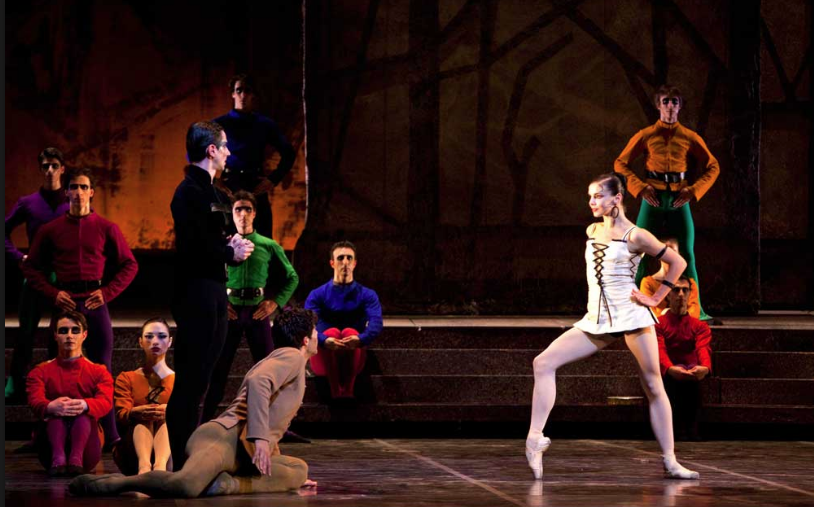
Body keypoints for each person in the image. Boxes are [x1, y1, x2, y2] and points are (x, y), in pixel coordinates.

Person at [526, 173, 699, 480]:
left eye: (598, 196)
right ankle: (535, 438)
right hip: (597, 319)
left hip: (631, 315)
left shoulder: (636, 235)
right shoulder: (593, 230)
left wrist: (656, 296)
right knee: (543, 362)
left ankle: (671, 460)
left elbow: (679, 263)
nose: (592, 202)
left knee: (653, 385)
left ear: (616, 199)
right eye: (590, 196)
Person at [69, 308, 319, 498]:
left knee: (297, 470)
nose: (319, 336)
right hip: (223, 438)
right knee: (185, 485)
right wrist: (261, 438)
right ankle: (115, 483)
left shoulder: (288, 362)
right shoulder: (292, 356)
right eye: (315, 332)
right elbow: (257, 381)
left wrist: (267, 448)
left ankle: (224, 483)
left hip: (242, 452)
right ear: (305, 340)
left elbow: (268, 411)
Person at [23, 167, 138, 445]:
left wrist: (107, 292)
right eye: (73, 187)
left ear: (91, 192)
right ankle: (47, 437)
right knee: (56, 370)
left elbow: (129, 264)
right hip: (64, 304)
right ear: (66, 192)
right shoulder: (51, 229)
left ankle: (110, 436)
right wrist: (53, 293)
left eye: (82, 187)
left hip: (94, 301)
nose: (77, 192)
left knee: (102, 368)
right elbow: (30, 267)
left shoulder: (105, 227)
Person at [167, 121, 255, 470]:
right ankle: (181, 460)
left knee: (204, 378)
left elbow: (217, 237)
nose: (229, 152)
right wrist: (226, 252)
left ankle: (194, 456)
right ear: (211, 150)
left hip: (217, 290)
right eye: (225, 145)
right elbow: (192, 245)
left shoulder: (219, 195)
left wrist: (233, 244)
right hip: (196, 291)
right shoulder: (188, 192)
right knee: (190, 380)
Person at [614, 84, 720, 321]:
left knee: (687, 254)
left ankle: (696, 311)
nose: (670, 106)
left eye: (674, 102)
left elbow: (713, 166)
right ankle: (631, 307)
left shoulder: (689, 137)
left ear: (680, 107)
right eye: (665, 101)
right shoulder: (646, 134)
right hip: (652, 197)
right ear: (658, 105)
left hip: (679, 199)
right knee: (638, 250)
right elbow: (620, 163)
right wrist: (640, 187)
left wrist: (693, 191)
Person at [202, 190, 299, 422]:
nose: (243, 214)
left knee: (268, 373)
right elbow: (207, 275)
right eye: (238, 209)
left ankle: (276, 424)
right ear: (232, 214)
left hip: (257, 313)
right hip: (231, 312)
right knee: (219, 370)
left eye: (247, 209)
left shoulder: (268, 245)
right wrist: (221, 303)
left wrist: (275, 303)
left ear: (254, 213)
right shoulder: (225, 244)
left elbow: (292, 276)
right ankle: (202, 422)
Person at [5, 147, 70, 400]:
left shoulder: (71, 200)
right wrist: (19, 257)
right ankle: (15, 380)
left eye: (55, 165)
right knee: (26, 332)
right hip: (35, 276)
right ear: (40, 170)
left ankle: (56, 380)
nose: (50, 171)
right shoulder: (28, 203)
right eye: (45, 166)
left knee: (60, 332)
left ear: (62, 168)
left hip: (64, 276)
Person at [26, 310, 113, 477]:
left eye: (75, 330)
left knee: (82, 414)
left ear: (84, 335)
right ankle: (59, 457)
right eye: (63, 331)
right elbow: (34, 399)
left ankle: (75, 459)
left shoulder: (99, 371)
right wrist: (51, 406)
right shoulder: (40, 371)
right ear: (55, 335)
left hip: (87, 448)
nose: (69, 336)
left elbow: (106, 401)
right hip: (50, 450)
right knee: (56, 414)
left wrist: (84, 405)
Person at [213, 73, 296, 238]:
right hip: (230, 187)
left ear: (254, 95)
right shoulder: (219, 124)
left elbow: (288, 153)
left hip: (256, 187)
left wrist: (273, 179)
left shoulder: (264, 124)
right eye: (239, 90)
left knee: (262, 243)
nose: (243, 95)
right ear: (233, 93)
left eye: (247, 91)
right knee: (228, 242)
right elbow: (195, 155)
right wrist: (213, 181)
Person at [305, 241, 383, 400]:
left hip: (353, 356)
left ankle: (347, 390)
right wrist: (324, 340)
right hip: (323, 357)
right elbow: (307, 324)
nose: (345, 262)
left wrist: (361, 339)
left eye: (349, 258)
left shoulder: (367, 294)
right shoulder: (317, 294)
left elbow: (376, 323)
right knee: (331, 332)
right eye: (340, 258)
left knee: (350, 332)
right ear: (332, 263)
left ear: (355, 263)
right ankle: (336, 391)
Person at [113, 318, 175, 475]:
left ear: (170, 342)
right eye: (149, 336)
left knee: (166, 419)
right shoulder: (127, 378)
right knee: (143, 420)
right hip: (134, 447)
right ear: (140, 342)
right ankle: (144, 468)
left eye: (161, 336)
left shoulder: (179, 380)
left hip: (170, 450)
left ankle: (160, 468)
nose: (155, 341)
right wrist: (135, 412)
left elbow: (190, 414)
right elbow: (121, 414)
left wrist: (172, 410)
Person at [656, 276, 712, 440]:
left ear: (689, 295)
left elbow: (703, 348)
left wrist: (705, 368)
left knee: (692, 384)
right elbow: (659, 350)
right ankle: (674, 431)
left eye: (684, 290)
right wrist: (670, 369)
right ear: (668, 295)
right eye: (675, 290)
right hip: (669, 373)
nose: (680, 294)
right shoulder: (658, 324)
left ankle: (692, 430)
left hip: (690, 371)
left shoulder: (700, 326)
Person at [640, 238, 700, 318]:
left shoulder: (690, 284)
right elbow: (649, 313)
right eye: (666, 252)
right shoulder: (648, 283)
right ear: (658, 255)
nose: (670, 256)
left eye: (673, 252)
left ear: (679, 255)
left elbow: (694, 312)